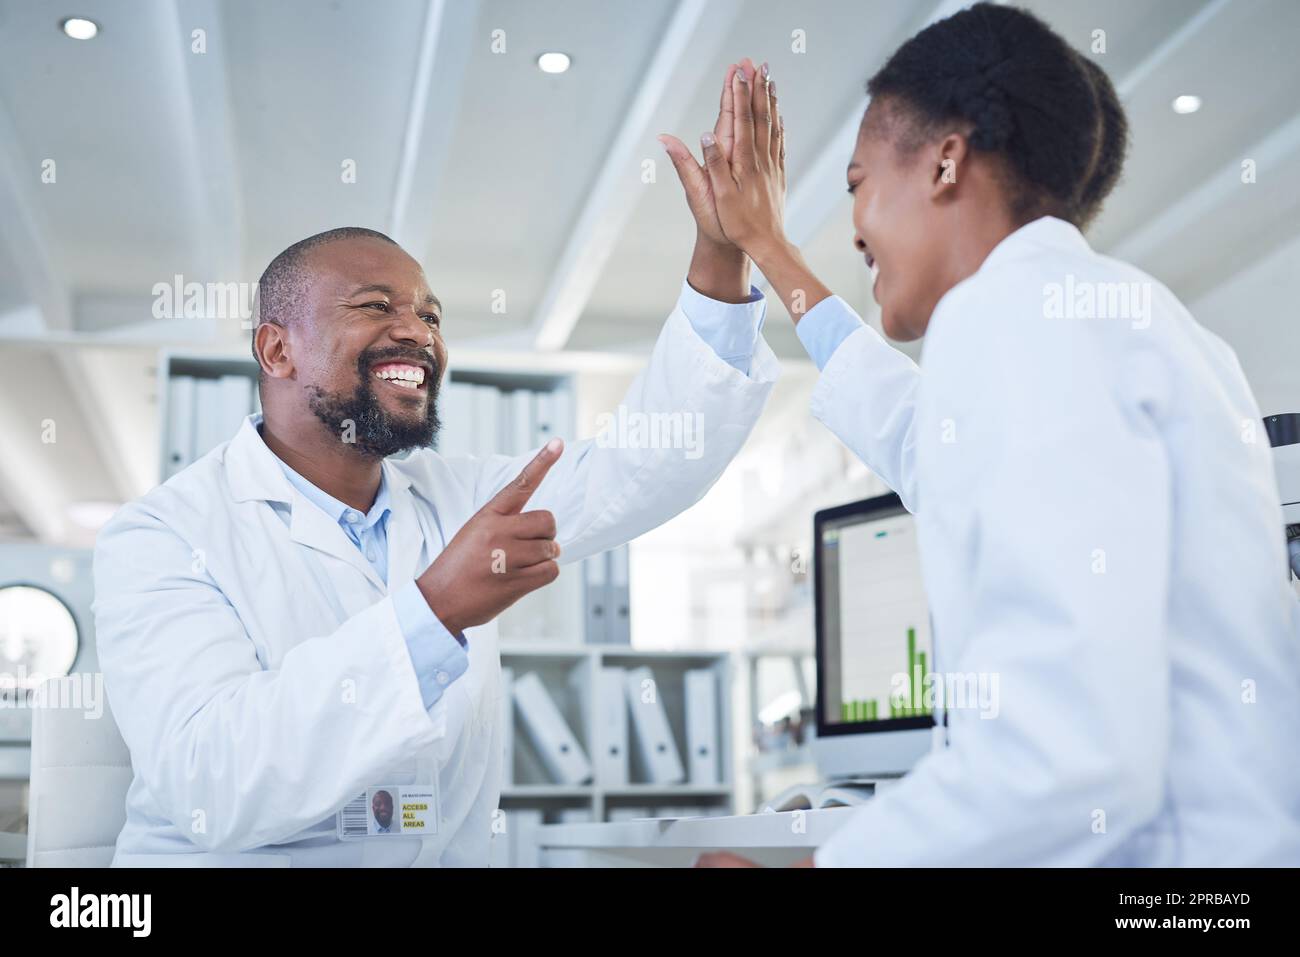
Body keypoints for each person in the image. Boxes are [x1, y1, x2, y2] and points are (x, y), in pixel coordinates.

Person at [663, 5, 1300, 866]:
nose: (854, 225)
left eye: (856, 183)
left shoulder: (1007, 318)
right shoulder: (1137, 324)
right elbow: (910, 427)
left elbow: (1062, 758)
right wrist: (768, 247)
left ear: (945, 161)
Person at [94, 108, 782, 866]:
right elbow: (211, 780)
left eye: (430, 315)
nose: (418, 332)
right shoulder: (161, 536)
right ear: (277, 349)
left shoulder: (459, 497)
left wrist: (723, 254)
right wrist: (434, 611)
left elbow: (645, 468)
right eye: (375, 306)